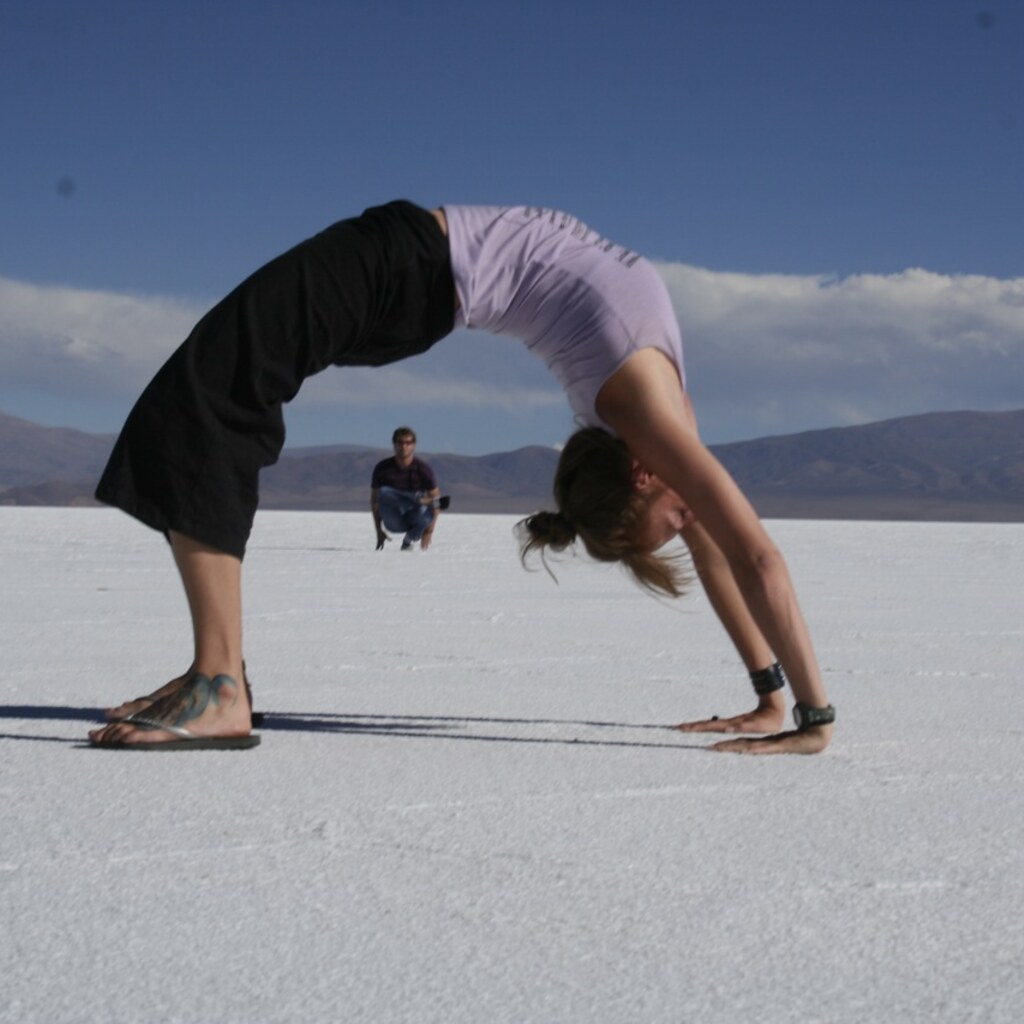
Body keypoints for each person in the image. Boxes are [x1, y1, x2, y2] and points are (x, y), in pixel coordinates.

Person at [89, 202, 834, 754]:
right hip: (414, 269)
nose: (687, 521)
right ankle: (220, 680)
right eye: (669, 522)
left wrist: (789, 709)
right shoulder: (654, 411)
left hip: (412, 270)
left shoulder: (648, 413)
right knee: (215, 380)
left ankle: (220, 685)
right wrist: (796, 710)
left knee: (213, 384)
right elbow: (747, 555)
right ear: (644, 474)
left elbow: (723, 554)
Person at [371, 427, 446, 551]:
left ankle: (408, 541)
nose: (404, 446)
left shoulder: (422, 469)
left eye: (408, 443)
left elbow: (438, 500)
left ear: (414, 446)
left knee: (428, 511)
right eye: (400, 442)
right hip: (394, 520)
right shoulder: (382, 468)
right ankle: (419, 499)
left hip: (415, 515)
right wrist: (379, 531)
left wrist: (429, 531)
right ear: (394, 445)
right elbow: (375, 500)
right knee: (384, 492)